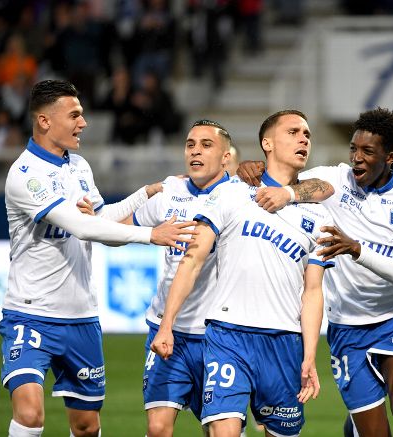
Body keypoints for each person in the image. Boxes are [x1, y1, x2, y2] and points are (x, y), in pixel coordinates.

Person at [0, 79, 192, 437]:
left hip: (81, 317)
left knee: (86, 426)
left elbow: (101, 222)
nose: (83, 123)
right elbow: (81, 227)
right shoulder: (25, 175)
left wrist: (144, 193)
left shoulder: (79, 167)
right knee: (29, 414)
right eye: (74, 115)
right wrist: (151, 234)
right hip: (31, 313)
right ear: (44, 121)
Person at [237, 107, 393, 437]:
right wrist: (255, 170)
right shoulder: (336, 179)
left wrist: (355, 248)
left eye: (368, 152)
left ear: (389, 157)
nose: (357, 159)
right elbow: (293, 184)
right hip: (347, 327)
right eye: (354, 150)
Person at [151, 110, 335, 437]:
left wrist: (309, 357)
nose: (304, 139)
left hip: (284, 343)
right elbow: (191, 260)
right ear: (267, 143)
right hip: (228, 335)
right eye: (293, 132)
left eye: (307, 134)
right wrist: (167, 325)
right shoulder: (232, 193)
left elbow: (313, 292)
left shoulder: (318, 214)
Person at [129, 119, 233, 437]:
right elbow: (113, 228)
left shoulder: (242, 198)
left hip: (218, 338)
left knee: (220, 431)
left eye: (206, 145)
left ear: (226, 157)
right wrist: (147, 228)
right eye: (190, 144)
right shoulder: (169, 194)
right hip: (167, 331)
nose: (195, 151)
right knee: (158, 428)